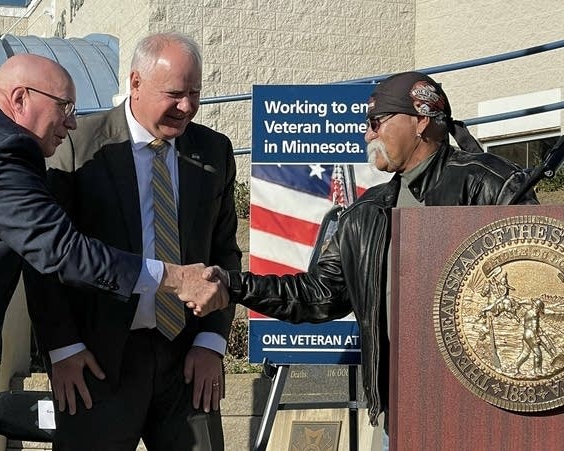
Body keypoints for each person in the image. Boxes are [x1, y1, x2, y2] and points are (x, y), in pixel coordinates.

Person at [205, 71, 539, 432]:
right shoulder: (366, 215)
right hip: (402, 409)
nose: (367, 133)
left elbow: (538, 274)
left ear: (420, 120)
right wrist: (232, 284)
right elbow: (317, 296)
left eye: (376, 122)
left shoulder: (492, 184)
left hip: (488, 406)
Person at [24, 32, 241, 451]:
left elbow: (224, 252)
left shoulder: (214, 151)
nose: (188, 107)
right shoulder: (77, 147)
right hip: (94, 365)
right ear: (135, 83)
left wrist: (212, 341)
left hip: (187, 365)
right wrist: (62, 348)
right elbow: (45, 258)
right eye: (175, 93)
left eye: (195, 93)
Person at [0, 54, 225, 400]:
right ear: (19, 98)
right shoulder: (5, 151)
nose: (71, 123)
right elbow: (62, 250)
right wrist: (175, 279)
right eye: (65, 107)